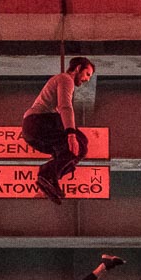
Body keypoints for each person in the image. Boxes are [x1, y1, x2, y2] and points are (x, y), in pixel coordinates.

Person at [22, 57, 94, 203]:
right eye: (87, 74)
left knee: (71, 154)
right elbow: (65, 106)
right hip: (39, 121)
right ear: (78, 68)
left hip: (31, 132)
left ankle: (48, 182)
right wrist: (71, 134)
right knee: (80, 142)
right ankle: (46, 174)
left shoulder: (60, 80)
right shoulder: (65, 79)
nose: (87, 79)